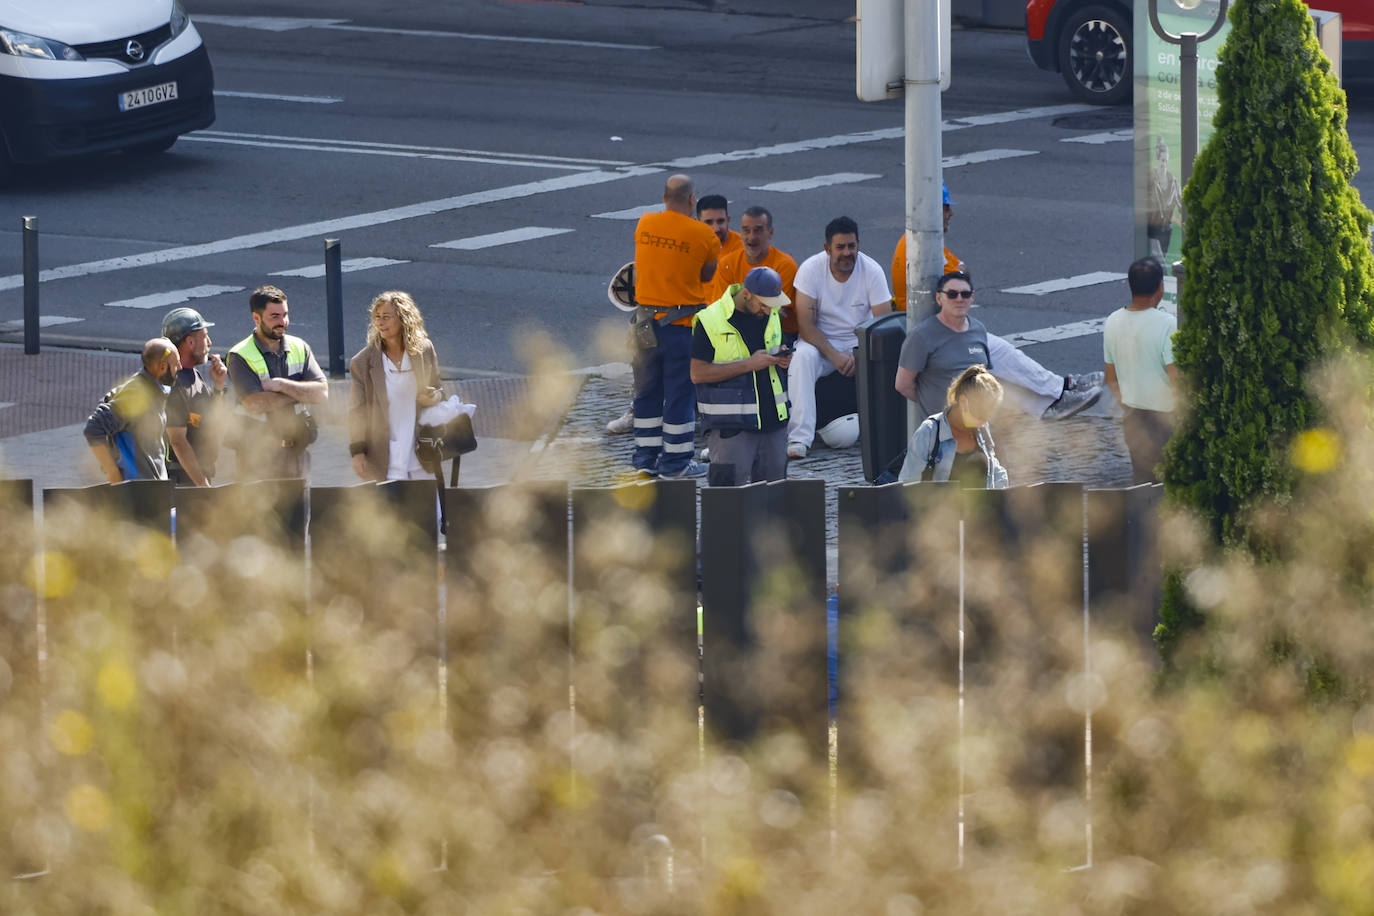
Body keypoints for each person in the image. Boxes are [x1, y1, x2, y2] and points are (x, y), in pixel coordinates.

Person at [891, 182, 1102, 419]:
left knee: (996, 370)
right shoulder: (922, 245)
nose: (951, 213)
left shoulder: (923, 242)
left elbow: (962, 275)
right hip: (941, 331)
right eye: (946, 207)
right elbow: (963, 275)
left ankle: (1049, 403)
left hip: (944, 327)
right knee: (1002, 356)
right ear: (930, 211)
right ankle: (1061, 389)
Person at [628, 174, 721, 478]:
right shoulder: (704, 235)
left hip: (643, 325)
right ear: (693, 200)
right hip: (680, 326)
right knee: (680, 393)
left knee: (646, 391)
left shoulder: (645, 223)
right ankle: (677, 461)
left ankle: (645, 458)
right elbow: (707, 275)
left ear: (664, 196)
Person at [786, 216, 892, 460]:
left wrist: (859, 353)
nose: (847, 253)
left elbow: (882, 324)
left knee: (889, 357)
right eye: (840, 247)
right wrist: (833, 354)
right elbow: (806, 326)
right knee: (801, 357)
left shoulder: (872, 271)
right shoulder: (810, 270)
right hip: (821, 343)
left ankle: (885, 430)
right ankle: (799, 437)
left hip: (860, 342)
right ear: (827, 249)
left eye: (852, 246)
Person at [690, 266, 793, 486]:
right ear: (746, 294)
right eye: (763, 305)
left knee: (774, 502)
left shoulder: (771, 312)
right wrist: (748, 365)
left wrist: (782, 359)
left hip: (773, 423)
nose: (768, 311)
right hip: (731, 428)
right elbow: (697, 374)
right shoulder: (710, 321)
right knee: (727, 502)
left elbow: (773, 348)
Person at [226, 285, 329, 482]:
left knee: (300, 512)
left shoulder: (300, 347)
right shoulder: (239, 355)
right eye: (274, 316)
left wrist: (282, 385)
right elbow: (255, 403)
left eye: (285, 315)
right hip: (257, 456)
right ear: (256, 318)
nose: (282, 322)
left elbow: (322, 393)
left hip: (297, 452)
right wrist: (300, 392)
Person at [348, 291, 446, 481]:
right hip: (384, 457)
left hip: (421, 455)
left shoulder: (424, 350)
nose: (380, 322)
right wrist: (358, 452)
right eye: (377, 317)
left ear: (403, 319)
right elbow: (356, 412)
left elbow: (439, 389)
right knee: (391, 510)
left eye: (386, 317)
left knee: (426, 510)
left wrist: (433, 397)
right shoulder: (362, 362)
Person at [1103, 257, 1177, 483]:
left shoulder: (1112, 321)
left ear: (1129, 285)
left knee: (1142, 483)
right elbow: (1176, 377)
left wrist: (1127, 404)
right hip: (1165, 419)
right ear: (1161, 287)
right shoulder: (1167, 324)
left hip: (1133, 417)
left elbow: (1110, 377)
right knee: (1169, 485)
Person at [894, 272, 993, 421]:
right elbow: (903, 384)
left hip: (977, 424)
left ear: (972, 297)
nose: (959, 299)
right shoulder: (921, 336)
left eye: (965, 294)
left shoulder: (979, 329)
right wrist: (934, 406)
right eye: (952, 294)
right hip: (943, 430)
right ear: (939, 298)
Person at [84, 337, 181, 483]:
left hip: (153, 489)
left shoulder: (152, 390)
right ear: (162, 367)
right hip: (136, 492)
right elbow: (93, 428)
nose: (179, 367)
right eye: (175, 364)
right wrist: (112, 472)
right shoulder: (136, 394)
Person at [898, 365, 1009, 488]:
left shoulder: (982, 429)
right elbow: (907, 486)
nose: (984, 419)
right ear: (963, 402)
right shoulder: (929, 431)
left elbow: (996, 472)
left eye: (989, 413)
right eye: (980, 412)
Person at [161, 307, 227, 486]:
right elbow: (178, 442)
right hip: (181, 483)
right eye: (205, 336)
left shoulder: (193, 376)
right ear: (190, 342)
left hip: (195, 478)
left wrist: (219, 386)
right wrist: (202, 486)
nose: (210, 342)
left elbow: (213, 421)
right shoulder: (175, 384)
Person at [710, 205, 799, 338]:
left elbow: (772, 315)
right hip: (735, 330)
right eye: (746, 230)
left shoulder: (784, 266)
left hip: (776, 333)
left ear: (771, 233)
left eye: (758, 230)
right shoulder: (728, 264)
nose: (751, 237)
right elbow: (721, 309)